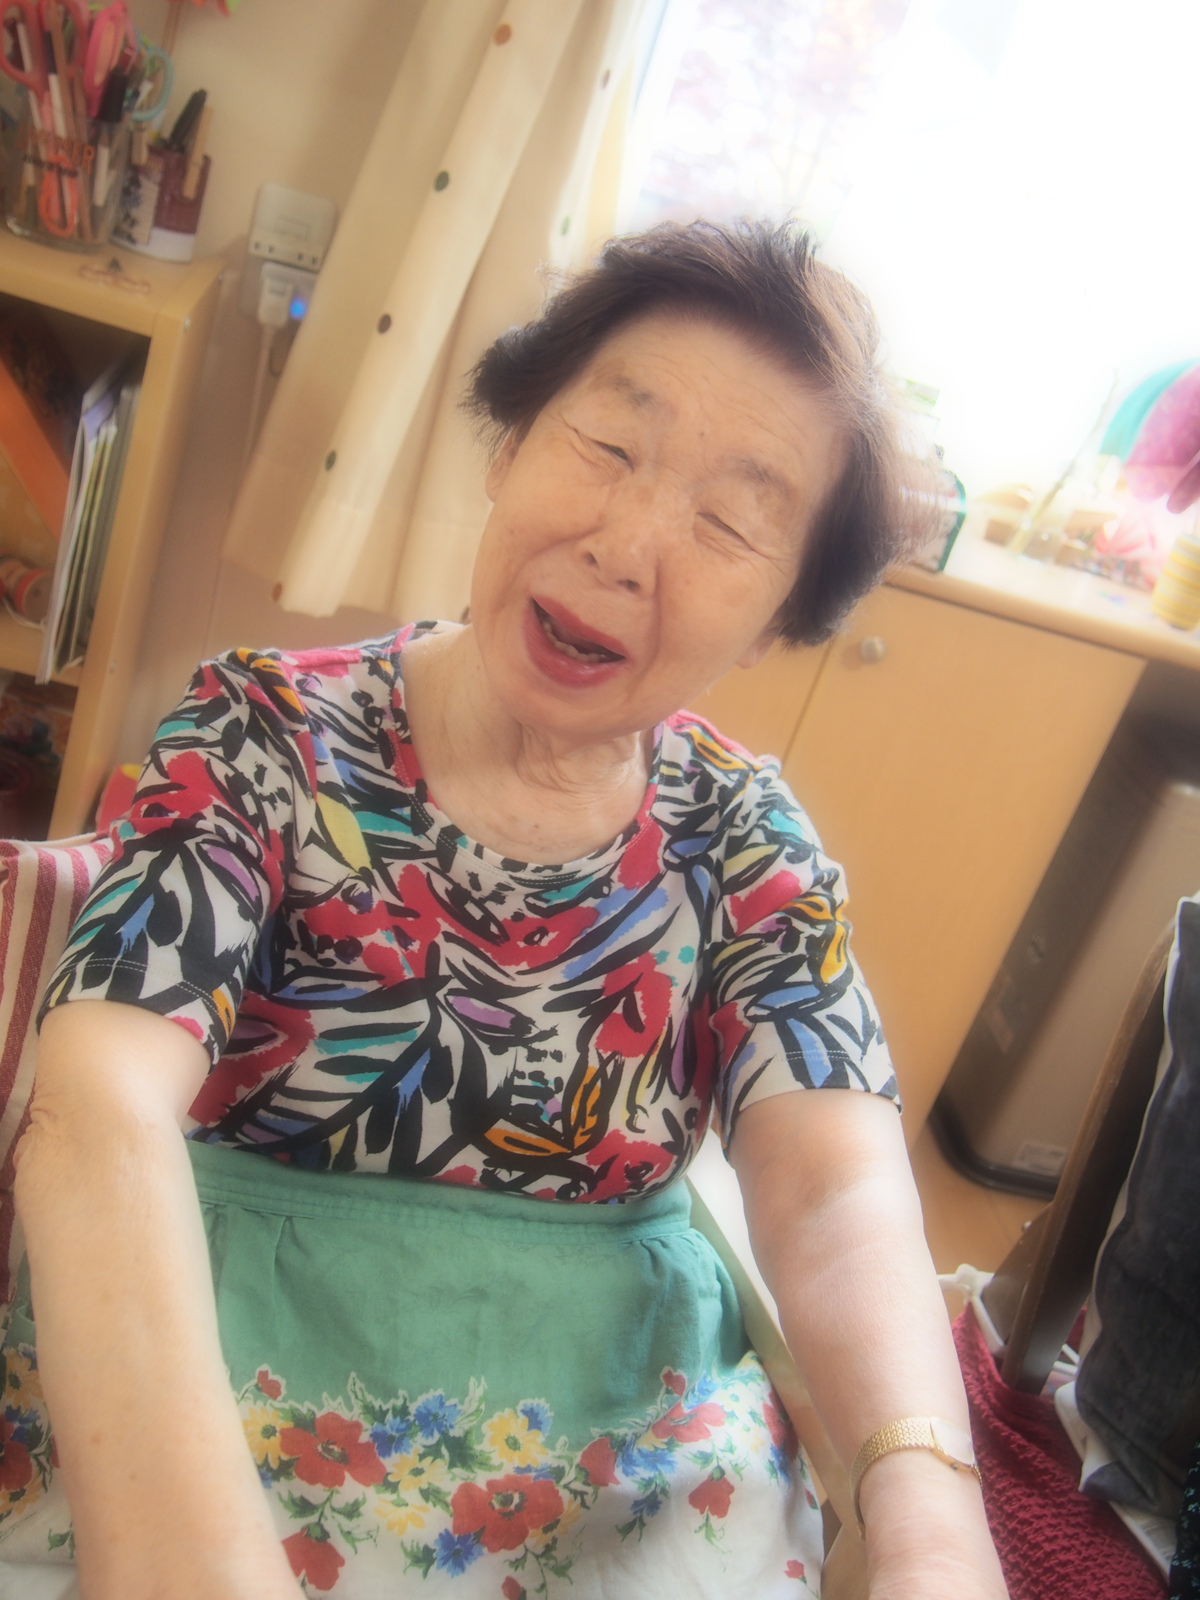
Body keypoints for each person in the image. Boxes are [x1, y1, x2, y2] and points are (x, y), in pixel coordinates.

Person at [4, 220, 1007, 1600]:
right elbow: (97, 1109)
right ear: (508, 444)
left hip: (610, 1450)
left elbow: (837, 1191)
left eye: (730, 523)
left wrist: (930, 1518)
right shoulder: (264, 736)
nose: (628, 545)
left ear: (778, 619)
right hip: (204, 1397)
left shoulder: (746, 839)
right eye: (607, 445)